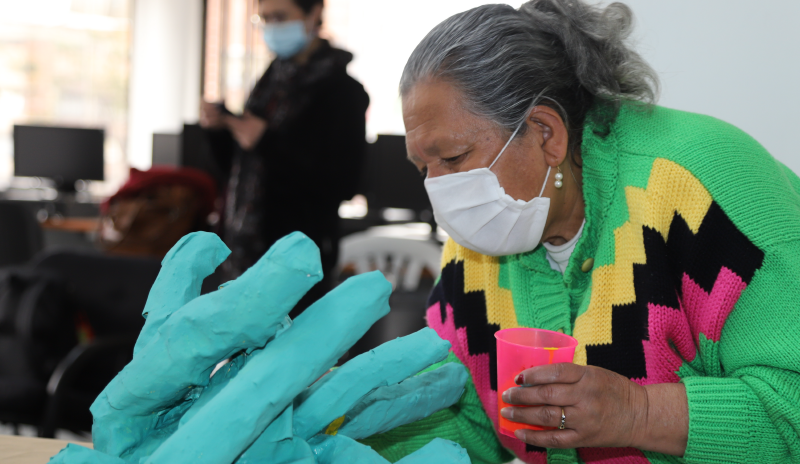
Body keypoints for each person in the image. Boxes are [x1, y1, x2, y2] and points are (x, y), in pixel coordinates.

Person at [358, 1, 800, 463]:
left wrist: (640, 412)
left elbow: (792, 404)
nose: (440, 190)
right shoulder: (481, 241)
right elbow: (469, 416)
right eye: (423, 168)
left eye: (452, 159)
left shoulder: (702, 185)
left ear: (546, 134)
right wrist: (346, 423)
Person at [199, 0, 369, 310]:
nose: (272, 27)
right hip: (244, 252)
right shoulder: (269, 86)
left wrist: (265, 141)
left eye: (281, 17)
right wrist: (218, 130)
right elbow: (239, 171)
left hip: (297, 259)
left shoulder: (342, 92)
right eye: (265, 19)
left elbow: (342, 183)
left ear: (314, 13)